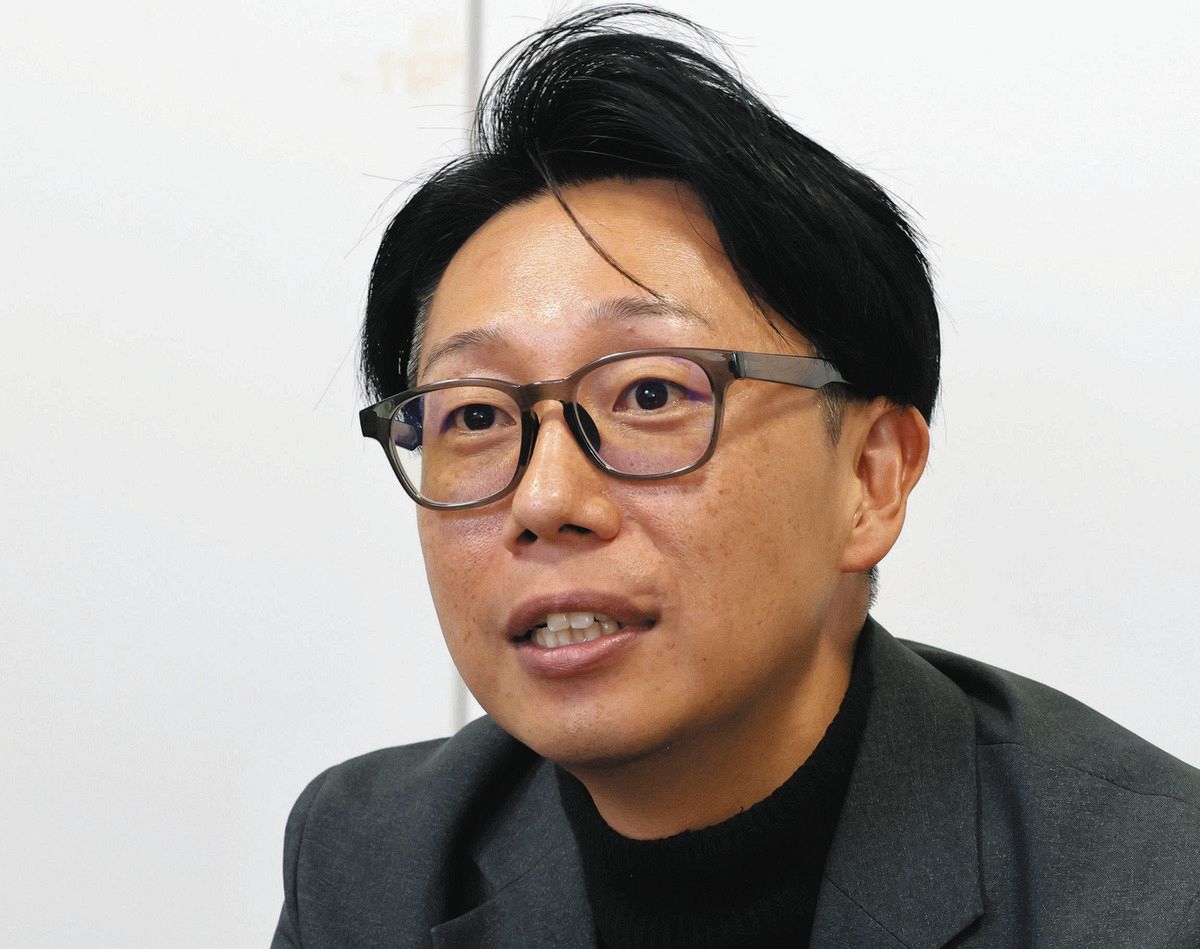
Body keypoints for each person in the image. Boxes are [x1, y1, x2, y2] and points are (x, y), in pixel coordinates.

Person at [271, 7, 1200, 947]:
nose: (545, 500)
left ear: (871, 477)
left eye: (649, 393)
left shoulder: (1154, 891)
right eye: (475, 416)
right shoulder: (368, 862)